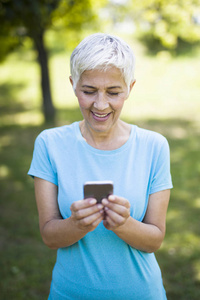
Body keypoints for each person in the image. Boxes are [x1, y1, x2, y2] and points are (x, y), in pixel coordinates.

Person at [28, 33, 173, 300]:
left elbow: (154, 240)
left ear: (130, 88)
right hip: (70, 294)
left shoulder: (154, 146)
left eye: (114, 92)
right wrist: (76, 224)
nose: (101, 104)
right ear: (73, 85)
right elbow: (49, 236)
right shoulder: (49, 144)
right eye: (89, 91)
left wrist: (123, 224)